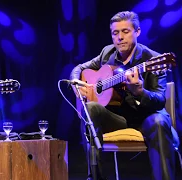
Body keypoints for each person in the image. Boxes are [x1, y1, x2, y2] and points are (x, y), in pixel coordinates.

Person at [69, 11, 177, 180]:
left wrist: (140, 92)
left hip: (145, 118)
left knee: (159, 121)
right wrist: (76, 82)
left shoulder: (153, 59)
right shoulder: (107, 53)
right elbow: (80, 68)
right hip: (118, 119)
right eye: (115, 33)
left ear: (137, 32)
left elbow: (159, 100)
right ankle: (95, 177)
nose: (120, 37)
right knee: (90, 108)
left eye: (125, 31)